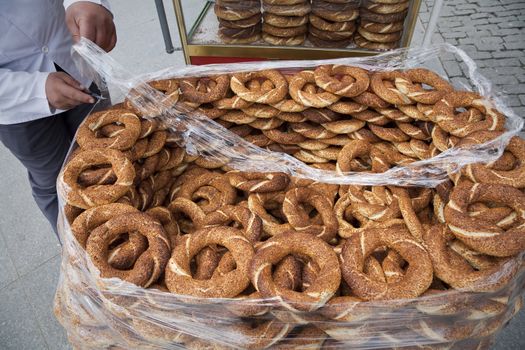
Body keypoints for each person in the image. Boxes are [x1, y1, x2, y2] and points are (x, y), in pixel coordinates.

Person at [0, 0, 116, 237]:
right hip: (16, 105)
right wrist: (35, 89)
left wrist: (87, 2)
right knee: (56, 182)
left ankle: (118, 231)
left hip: (74, 53)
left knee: (112, 154)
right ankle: (77, 255)